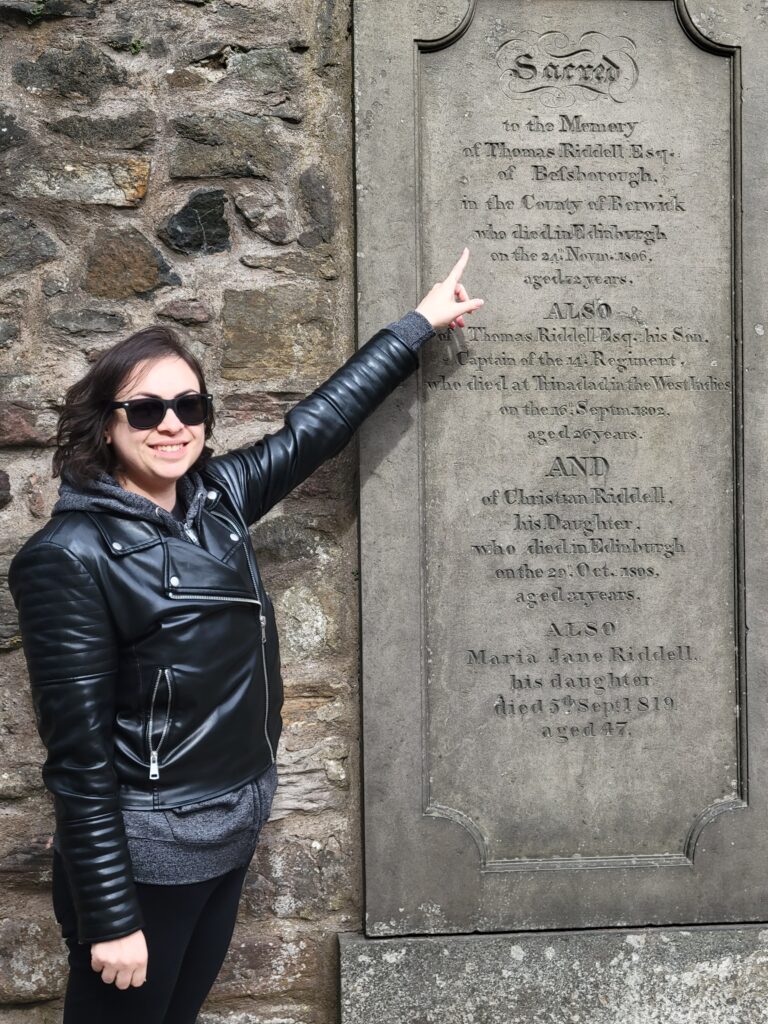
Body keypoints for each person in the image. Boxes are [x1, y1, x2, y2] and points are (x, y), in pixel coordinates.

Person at [9, 249, 483, 1023]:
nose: (171, 425)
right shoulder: (69, 557)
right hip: (146, 857)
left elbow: (315, 428)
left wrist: (418, 326)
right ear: (104, 422)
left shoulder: (218, 500)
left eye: (188, 407)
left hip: (229, 825)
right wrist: (109, 916)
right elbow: (78, 757)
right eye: (145, 409)